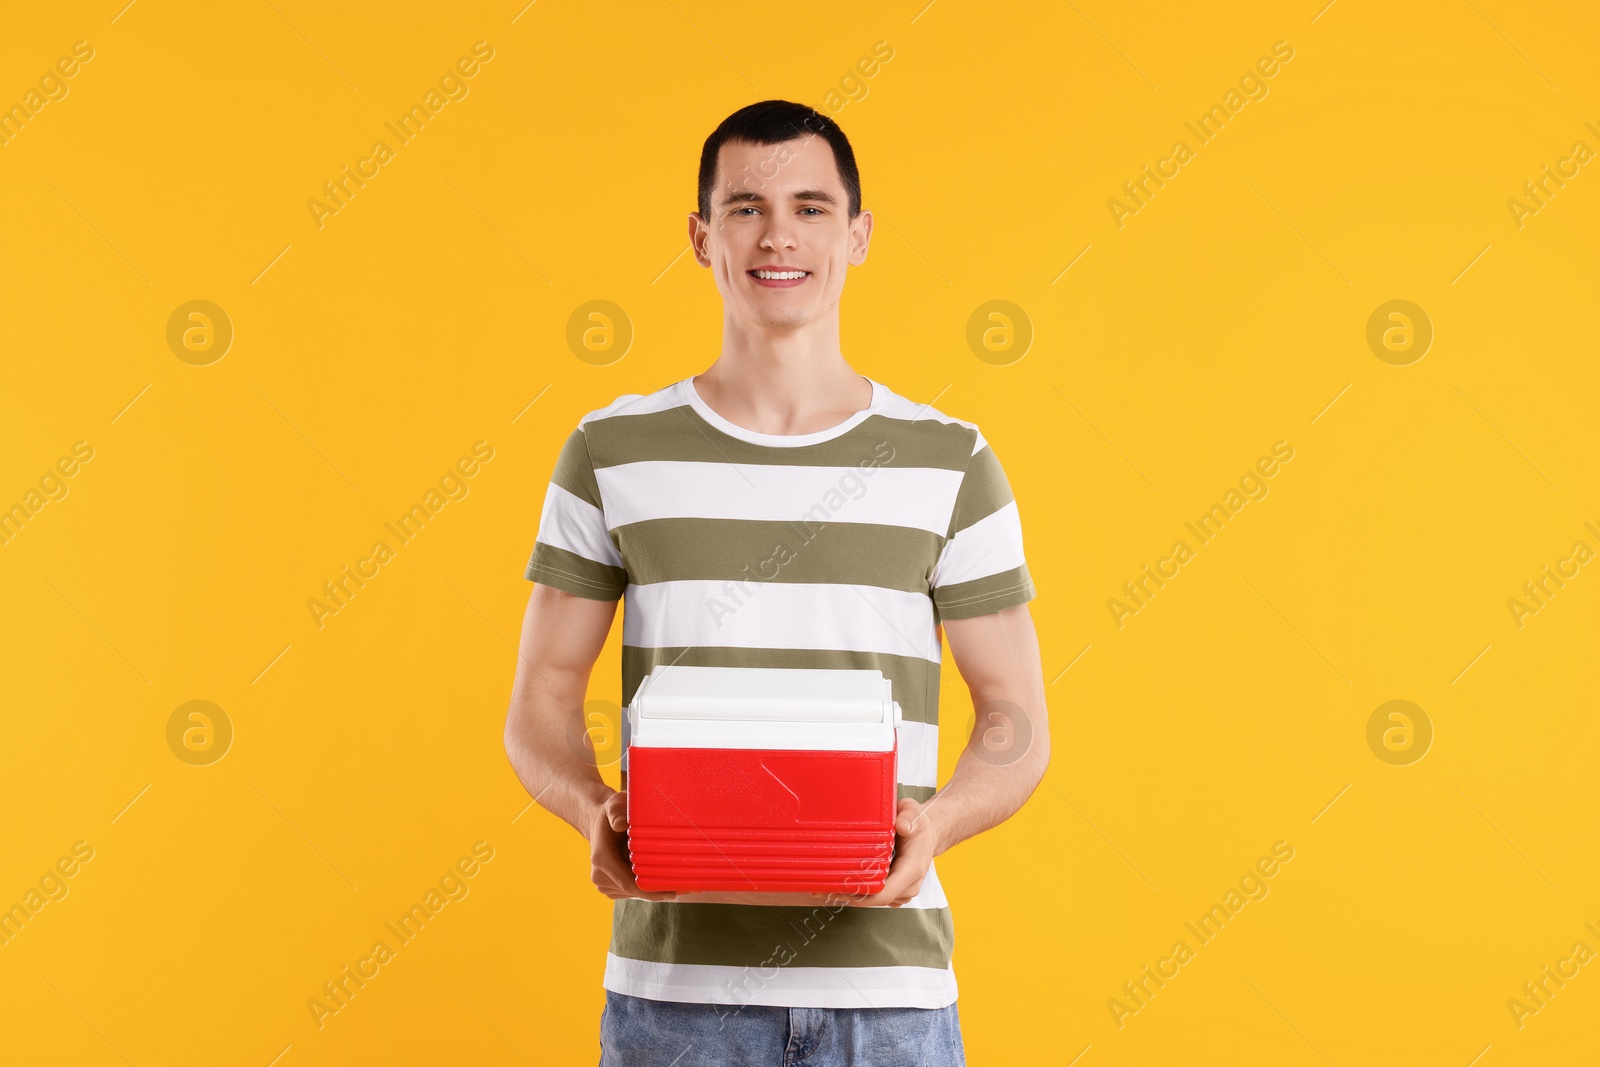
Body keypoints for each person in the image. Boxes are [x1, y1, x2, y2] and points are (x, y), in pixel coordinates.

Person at [503, 99, 1049, 1067]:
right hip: (675, 1001)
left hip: (889, 1001)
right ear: (701, 236)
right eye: (746, 207)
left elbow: (1014, 719)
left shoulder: (951, 460)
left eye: (809, 205)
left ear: (858, 233)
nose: (778, 235)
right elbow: (541, 699)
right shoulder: (609, 451)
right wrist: (590, 805)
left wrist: (942, 822)